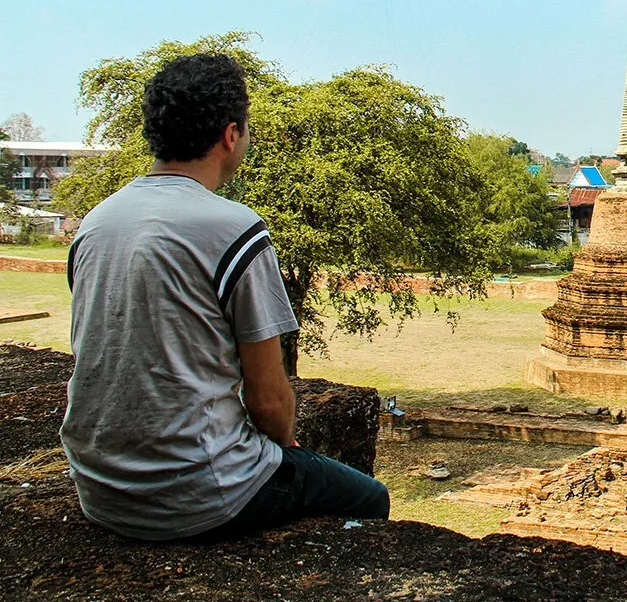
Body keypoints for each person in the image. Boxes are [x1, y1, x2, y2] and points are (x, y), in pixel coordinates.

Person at [60, 53, 389, 541]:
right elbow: (269, 400)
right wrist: (285, 448)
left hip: (101, 487)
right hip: (197, 494)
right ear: (231, 135)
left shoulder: (98, 221)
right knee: (370, 498)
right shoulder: (234, 228)